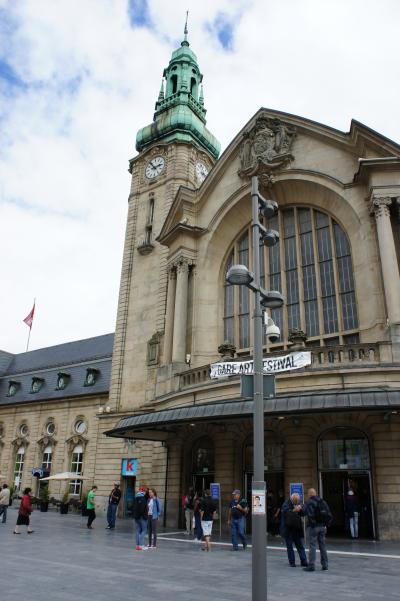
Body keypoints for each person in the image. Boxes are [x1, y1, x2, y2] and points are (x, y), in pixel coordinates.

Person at [303, 487, 332, 572]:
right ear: (315, 493)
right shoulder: (322, 501)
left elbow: (304, 512)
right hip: (323, 527)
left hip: (314, 527)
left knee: (312, 545)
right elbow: (329, 514)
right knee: (323, 545)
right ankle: (325, 565)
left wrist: (298, 510)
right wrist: (326, 524)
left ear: (309, 494)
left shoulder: (309, 502)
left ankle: (311, 565)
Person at [280, 493, 308, 567]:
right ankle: (292, 562)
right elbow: (286, 513)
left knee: (300, 546)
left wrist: (301, 509)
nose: (296, 502)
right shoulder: (286, 504)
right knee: (290, 547)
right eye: (295, 501)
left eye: (297, 501)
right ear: (291, 499)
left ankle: (304, 561)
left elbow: (304, 512)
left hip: (296, 529)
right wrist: (295, 510)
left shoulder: (298, 502)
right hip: (288, 529)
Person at [133, 486, 148, 550]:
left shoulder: (136, 497)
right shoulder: (143, 498)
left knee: (138, 530)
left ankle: (137, 545)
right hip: (142, 517)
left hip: (136, 517)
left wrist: (136, 515)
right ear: (143, 491)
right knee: (144, 530)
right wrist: (143, 515)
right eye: (145, 491)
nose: (145, 492)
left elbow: (133, 507)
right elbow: (142, 509)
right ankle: (141, 545)